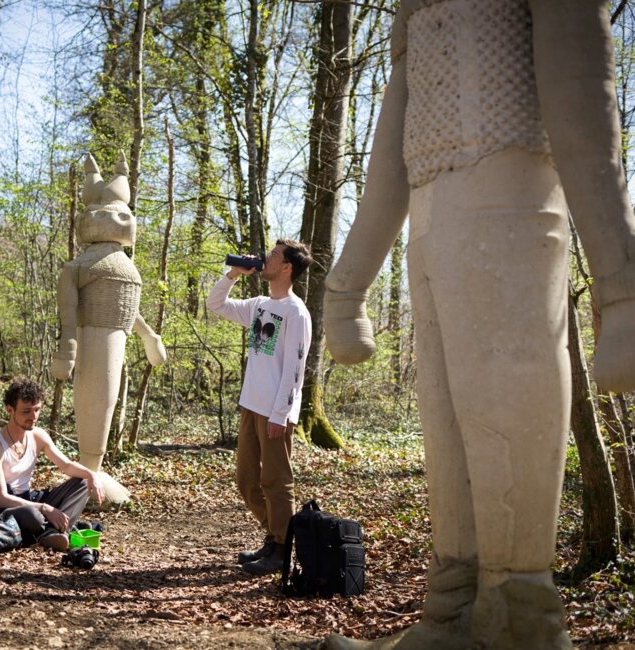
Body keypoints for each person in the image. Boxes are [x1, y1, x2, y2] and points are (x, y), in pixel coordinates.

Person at [322, 1, 635, 648]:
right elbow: (390, 149)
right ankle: (452, 615)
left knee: (505, 418)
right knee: (445, 427)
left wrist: (621, 286)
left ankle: (521, 620)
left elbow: (583, 105)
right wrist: (345, 287)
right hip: (431, 231)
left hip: (512, 212)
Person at [207, 239, 313, 576]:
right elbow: (216, 303)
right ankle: (278, 535)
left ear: (287, 267)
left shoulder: (296, 312)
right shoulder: (260, 304)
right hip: (251, 405)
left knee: (276, 481)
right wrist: (233, 274)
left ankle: (282, 549)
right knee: (246, 479)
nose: (265, 258)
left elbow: (295, 370)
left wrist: (280, 414)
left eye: (273, 255)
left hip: (275, 410)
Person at [0, 378, 106, 551]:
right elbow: (0, 499)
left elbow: (66, 465)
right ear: (10, 410)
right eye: (26, 411)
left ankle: (53, 534)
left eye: (37, 410)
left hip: (28, 498)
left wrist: (91, 475)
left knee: (82, 481)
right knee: (33, 515)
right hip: (3, 508)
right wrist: (45, 508)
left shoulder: (38, 436)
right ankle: (52, 531)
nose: (33, 417)